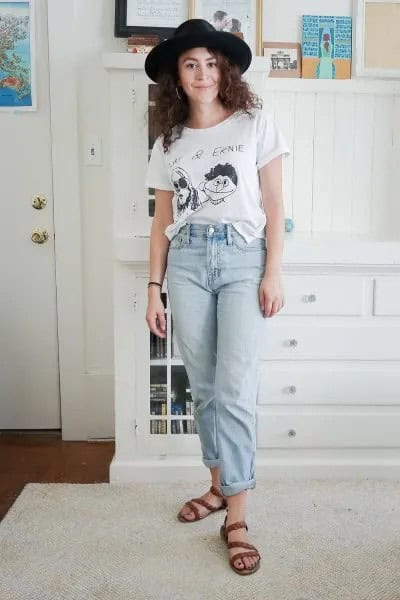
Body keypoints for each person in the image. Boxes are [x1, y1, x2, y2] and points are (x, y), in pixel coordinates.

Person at [144, 18, 289, 576]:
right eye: (190, 64)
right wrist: (153, 288)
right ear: (177, 77)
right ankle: (218, 486)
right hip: (186, 261)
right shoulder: (170, 140)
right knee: (203, 387)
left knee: (233, 389)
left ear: (223, 70)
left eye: (210, 62)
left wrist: (272, 273)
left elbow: (274, 205)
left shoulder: (255, 122)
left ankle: (237, 516)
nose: (202, 73)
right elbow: (162, 219)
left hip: (242, 258)